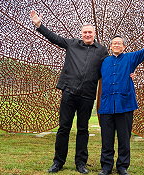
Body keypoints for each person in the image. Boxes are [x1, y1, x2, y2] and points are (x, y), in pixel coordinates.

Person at [30, 10, 108, 174]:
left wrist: (128, 71)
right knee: (64, 128)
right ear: (81, 34)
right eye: (85, 32)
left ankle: (81, 163)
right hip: (69, 92)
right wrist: (39, 25)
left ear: (94, 34)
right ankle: (58, 162)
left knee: (83, 129)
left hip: (87, 95)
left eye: (90, 32)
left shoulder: (101, 51)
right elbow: (54, 38)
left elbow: (110, 67)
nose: (87, 34)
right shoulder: (72, 44)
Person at [97, 23, 144, 175]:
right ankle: (106, 167)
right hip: (107, 105)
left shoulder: (130, 58)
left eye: (119, 43)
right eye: (114, 43)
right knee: (106, 139)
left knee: (124, 139)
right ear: (110, 46)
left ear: (124, 46)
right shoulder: (104, 61)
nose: (116, 45)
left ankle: (122, 167)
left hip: (125, 105)